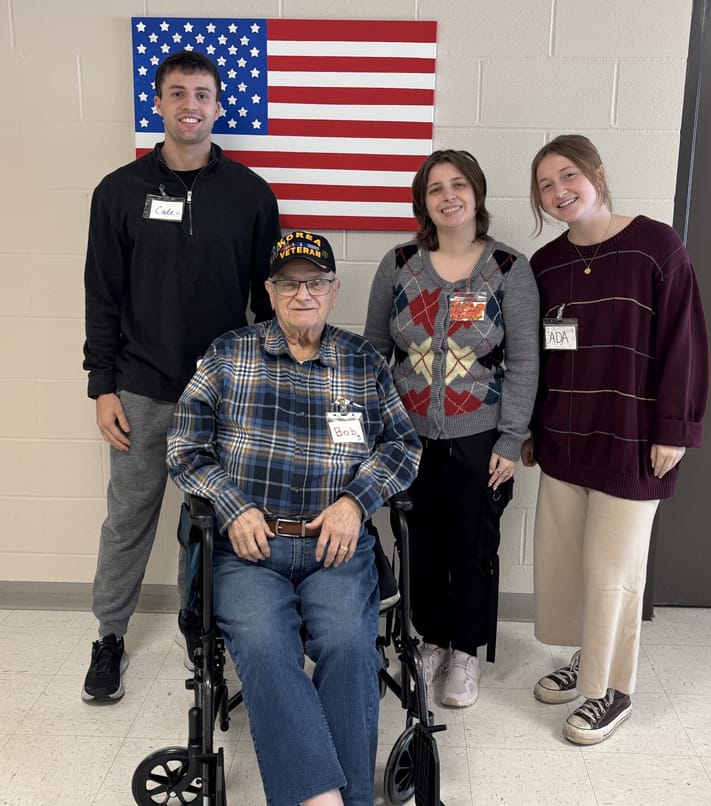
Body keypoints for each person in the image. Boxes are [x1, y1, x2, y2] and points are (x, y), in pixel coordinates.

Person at [166, 231, 422, 806]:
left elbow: (403, 447)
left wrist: (355, 502)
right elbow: (184, 446)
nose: (302, 293)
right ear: (270, 291)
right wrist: (232, 507)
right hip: (249, 548)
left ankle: (337, 798)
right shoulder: (229, 353)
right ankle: (323, 800)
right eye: (289, 283)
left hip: (336, 546)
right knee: (264, 646)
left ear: (334, 291)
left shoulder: (362, 361)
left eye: (315, 283)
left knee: (350, 647)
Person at [81, 50, 280, 702]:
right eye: (177, 93)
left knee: (211, 519)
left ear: (218, 106)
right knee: (127, 518)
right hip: (140, 389)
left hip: (223, 394)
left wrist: (263, 383)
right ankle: (109, 637)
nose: (189, 105)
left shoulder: (251, 194)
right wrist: (102, 386)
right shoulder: (118, 192)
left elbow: (267, 302)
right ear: (158, 103)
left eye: (201, 94)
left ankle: (201, 624)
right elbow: (102, 295)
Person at [523, 134, 710, 745]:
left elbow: (684, 341)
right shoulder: (545, 266)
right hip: (563, 444)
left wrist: (675, 429)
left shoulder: (657, 246)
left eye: (568, 175)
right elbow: (534, 359)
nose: (558, 191)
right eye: (545, 185)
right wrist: (529, 430)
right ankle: (588, 660)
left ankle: (613, 691)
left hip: (633, 443)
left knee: (614, 573)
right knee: (570, 567)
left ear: (597, 174)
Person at [364, 149, 539, 707]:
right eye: (435, 188)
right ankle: (432, 639)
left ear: (477, 193)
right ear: (423, 201)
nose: (448, 197)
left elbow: (525, 362)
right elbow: (373, 351)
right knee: (419, 542)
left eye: (458, 185)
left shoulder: (508, 269)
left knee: (472, 543)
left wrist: (511, 438)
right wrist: (372, 428)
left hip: (479, 436)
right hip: (407, 436)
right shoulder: (399, 263)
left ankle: (465, 649)